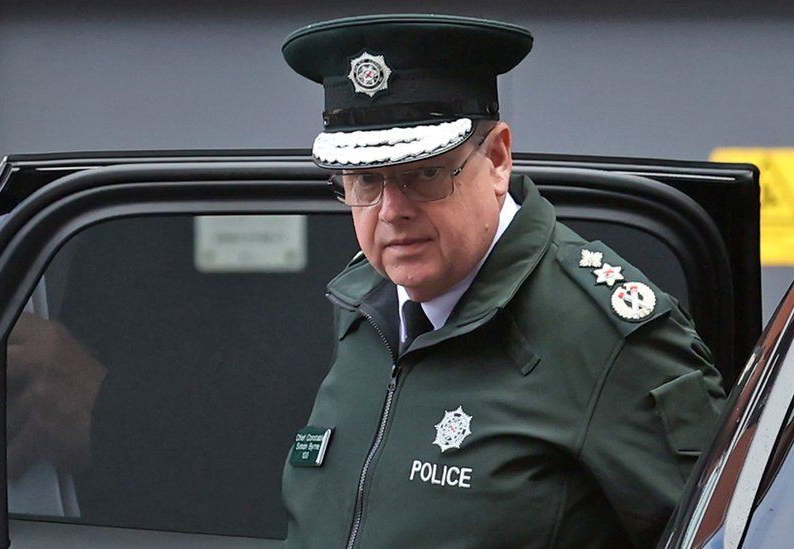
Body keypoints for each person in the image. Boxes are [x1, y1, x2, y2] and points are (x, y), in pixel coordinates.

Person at [280, 14, 726, 548]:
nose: (391, 211)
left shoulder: (605, 334)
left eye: (424, 174)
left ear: (496, 159)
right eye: (367, 181)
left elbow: (721, 533)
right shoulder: (362, 305)